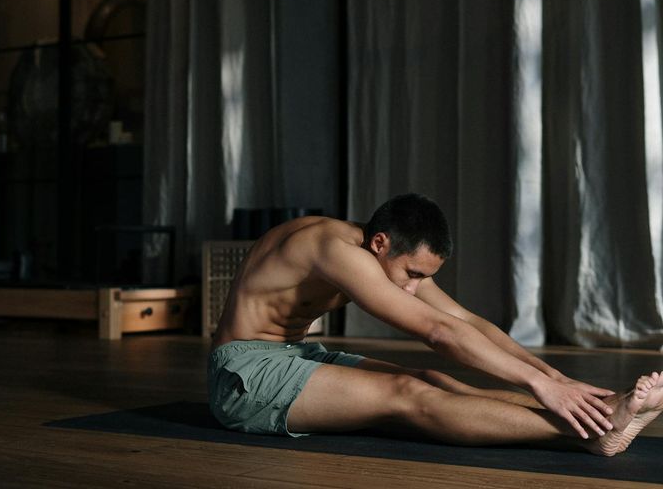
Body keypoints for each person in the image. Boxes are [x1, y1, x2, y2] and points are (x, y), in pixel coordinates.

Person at [207, 193, 663, 456]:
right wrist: (538, 386)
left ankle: (604, 414)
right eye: (413, 275)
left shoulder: (379, 252)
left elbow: (462, 319)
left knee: (433, 379)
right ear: (381, 242)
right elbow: (437, 332)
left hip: (295, 357)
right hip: (243, 377)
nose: (414, 287)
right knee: (409, 395)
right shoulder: (330, 248)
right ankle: (593, 435)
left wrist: (554, 377)